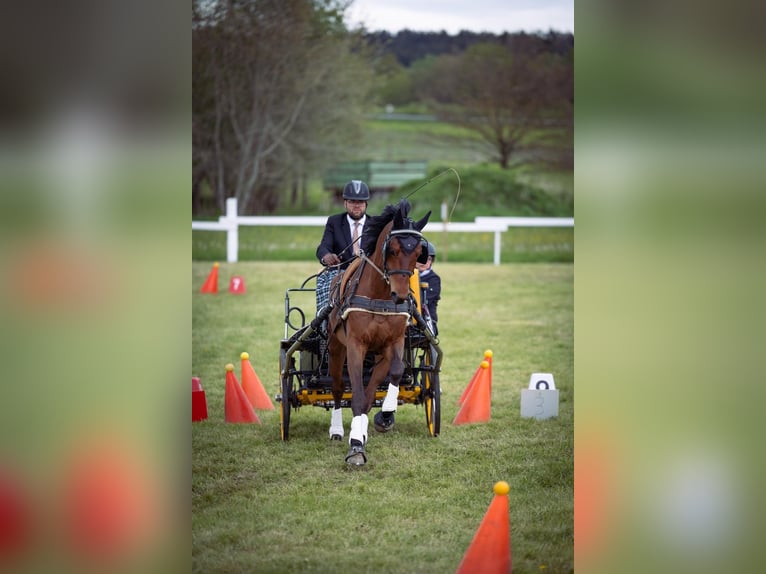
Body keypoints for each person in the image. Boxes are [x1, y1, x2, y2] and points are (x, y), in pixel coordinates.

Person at [315, 180, 370, 315]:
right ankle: (324, 322)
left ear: (366, 204)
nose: (357, 206)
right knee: (326, 282)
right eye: (352, 202)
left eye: (360, 202)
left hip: (368, 273)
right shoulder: (334, 222)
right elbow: (323, 246)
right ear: (345, 203)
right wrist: (326, 256)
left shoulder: (375, 224)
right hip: (341, 272)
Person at [415, 242, 441, 335]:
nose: (425, 262)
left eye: (429, 259)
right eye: (421, 258)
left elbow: (427, 300)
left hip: (426, 318)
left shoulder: (434, 279)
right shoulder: (406, 276)